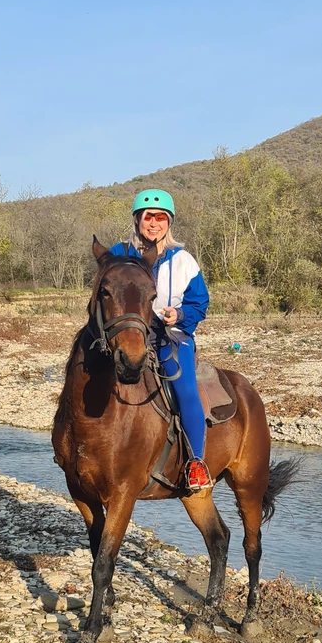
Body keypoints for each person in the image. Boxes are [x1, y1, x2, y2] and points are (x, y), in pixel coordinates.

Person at [111, 188, 212, 491]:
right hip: (126, 333)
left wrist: (179, 315)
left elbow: (199, 303)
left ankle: (196, 463)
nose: (153, 223)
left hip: (170, 336)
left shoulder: (183, 260)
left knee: (185, 391)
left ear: (169, 222)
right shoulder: (119, 253)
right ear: (137, 220)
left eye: (160, 218)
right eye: (148, 217)